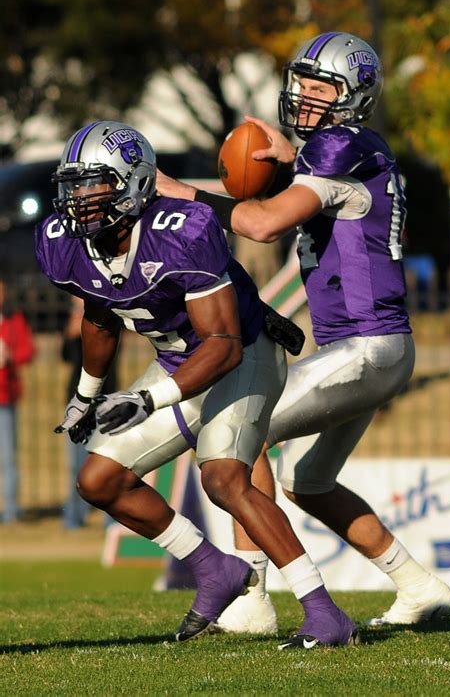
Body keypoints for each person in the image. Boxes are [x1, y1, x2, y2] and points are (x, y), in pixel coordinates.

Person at [155, 31, 450, 629]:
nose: (305, 97)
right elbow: (332, 194)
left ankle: (252, 596)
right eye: (303, 84)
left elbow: (265, 224)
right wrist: (293, 161)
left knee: (243, 430)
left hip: (366, 347)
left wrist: (181, 192)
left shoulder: (341, 147)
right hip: (373, 348)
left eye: (322, 89)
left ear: (354, 97)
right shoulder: (347, 150)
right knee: (308, 480)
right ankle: (421, 589)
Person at [35, 119, 359, 650]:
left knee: (224, 479)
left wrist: (147, 399)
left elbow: (223, 344)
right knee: (98, 481)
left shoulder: (180, 228)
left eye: (95, 186)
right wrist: (84, 396)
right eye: (74, 187)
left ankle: (323, 611)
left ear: (136, 183)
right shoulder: (63, 242)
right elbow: (99, 315)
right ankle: (214, 570)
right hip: (176, 359)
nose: (80, 201)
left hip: (242, 353)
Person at [61, 295, 119, 529]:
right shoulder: (73, 322)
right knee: (76, 463)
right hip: (78, 398)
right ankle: (73, 517)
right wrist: (72, 333)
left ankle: (111, 520)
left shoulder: (110, 314)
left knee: (109, 462)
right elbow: (65, 356)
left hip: (107, 396)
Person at [0, 277, 35, 522]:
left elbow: (27, 351)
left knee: (8, 456)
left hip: (5, 397)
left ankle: (11, 510)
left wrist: (10, 356)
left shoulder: (14, 320)